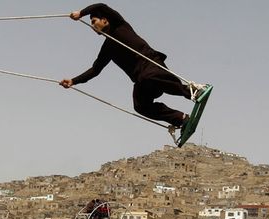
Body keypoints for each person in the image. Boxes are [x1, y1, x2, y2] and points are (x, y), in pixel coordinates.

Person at [60, 3, 200, 129]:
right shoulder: (108, 48)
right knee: (140, 106)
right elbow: (95, 70)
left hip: (152, 65)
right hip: (142, 81)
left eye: (94, 21)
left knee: (148, 76)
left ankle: (193, 91)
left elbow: (101, 6)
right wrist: (73, 81)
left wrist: (81, 13)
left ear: (105, 20)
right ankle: (181, 119)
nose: (92, 25)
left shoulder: (119, 25)